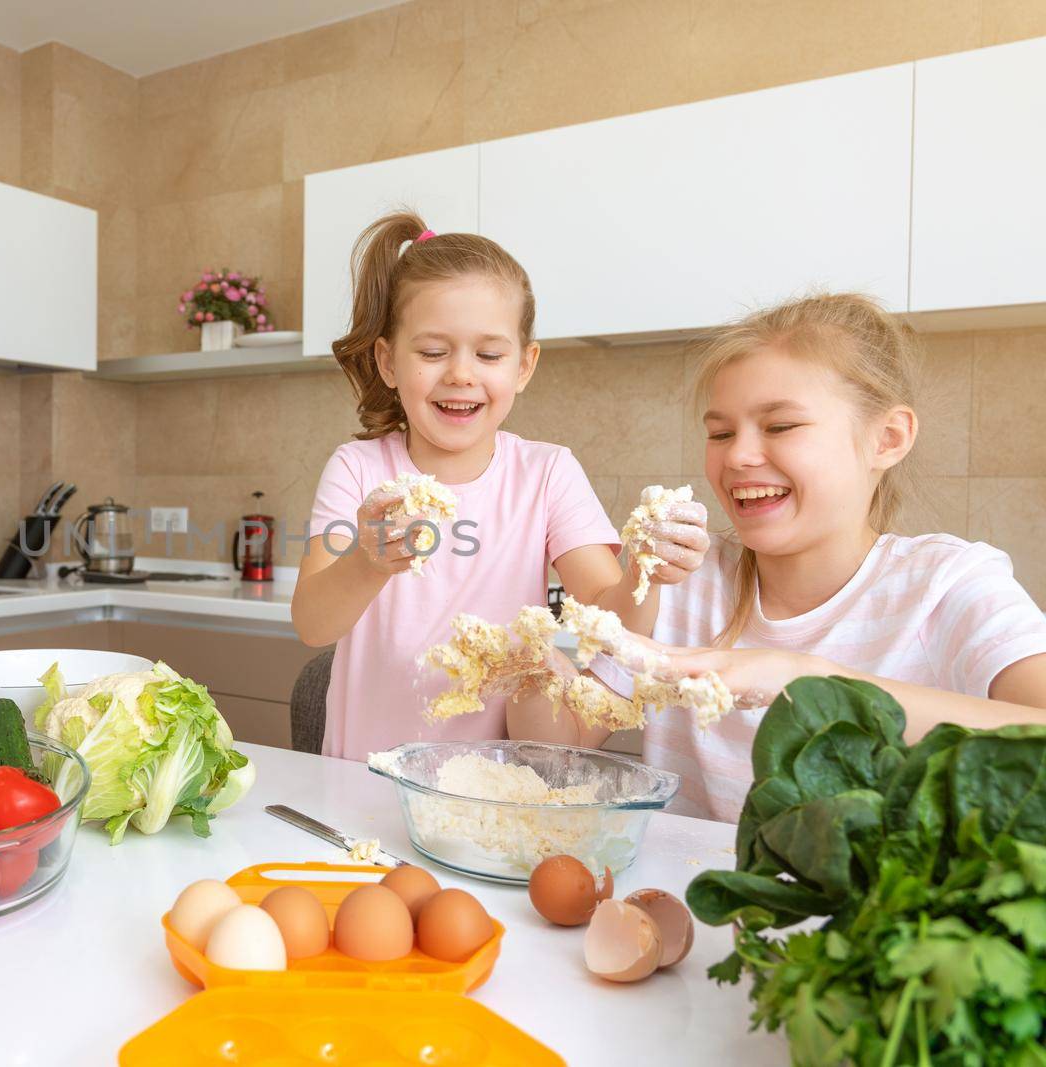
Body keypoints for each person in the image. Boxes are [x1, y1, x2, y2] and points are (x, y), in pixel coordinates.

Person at [589, 293, 1046, 821]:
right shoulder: (686, 581)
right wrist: (636, 585)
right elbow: (542, 736)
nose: (737, 455)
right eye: (720, 433)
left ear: (888, 439)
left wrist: (813, 682)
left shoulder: (947, 585)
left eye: (780, 426)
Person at [291, 211, 709, 760]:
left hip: (490, 790)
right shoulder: (358, 470)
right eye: (434, 352)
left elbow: (612, 623)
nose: (462, 374)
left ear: (523, 366)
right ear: (389, 361)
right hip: (361, 779)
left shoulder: (547, 474)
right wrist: (367, 561)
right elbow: (313, 625)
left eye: (489, 355)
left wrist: (644, 572)